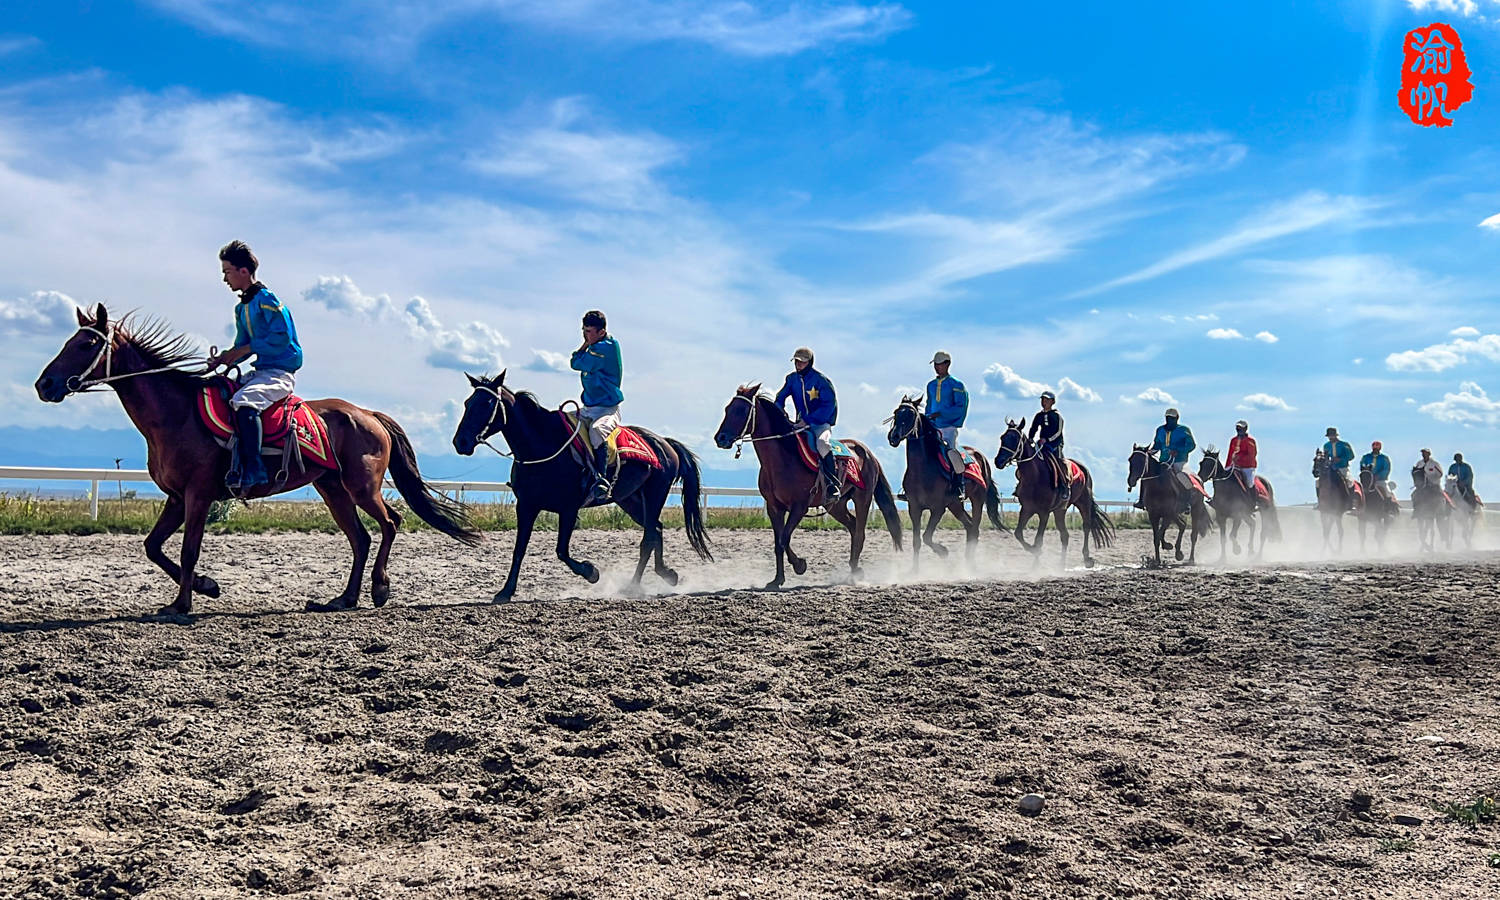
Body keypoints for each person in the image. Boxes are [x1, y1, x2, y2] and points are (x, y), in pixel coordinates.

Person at [206, 240, 303, 493]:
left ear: (244, 272)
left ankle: (255, 467)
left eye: (227, 272)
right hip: (260, 372)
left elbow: (281, 336)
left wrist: (245, 350)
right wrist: (225, 358)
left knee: (244, 401)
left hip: (279, 373)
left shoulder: (267, 299)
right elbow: (242, 344)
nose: (225, 279)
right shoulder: (242, 308)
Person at [569, 310, 623, 504]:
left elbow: (575, 362)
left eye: (589, 331)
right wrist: (586, 343)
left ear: (601, 332)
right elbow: (575, 361)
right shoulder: (594, 345)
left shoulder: (605, 347)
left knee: (597, 431)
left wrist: (584, 347)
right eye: (583, 331)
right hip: (588, 407)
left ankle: (601, 479)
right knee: (562, 421)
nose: (585, 335)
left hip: (607, 409)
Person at [774, 347, 840, 503]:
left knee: (822, 444)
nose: (798, 365)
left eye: (802, 362)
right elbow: (780, 398)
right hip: (799, 424)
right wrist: (779, 414)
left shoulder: (821, 381)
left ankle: (833, 484)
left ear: (809, 362)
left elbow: (829, 405)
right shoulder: (791, 379)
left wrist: (809, 420)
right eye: (796, 361)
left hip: (820, 424)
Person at [925, 350, 969, 496]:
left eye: (940, 364)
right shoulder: (930, 385)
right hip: (933, 427)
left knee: (951, 452)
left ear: (947, 364)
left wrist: (942, 414)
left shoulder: (956, 384)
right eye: (935, 364)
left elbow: (961, 406)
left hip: (949, 427)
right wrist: (926, 418)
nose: (937, 367)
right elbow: (928, 405)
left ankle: (959, 485)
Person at [1145, 407, 1196, 512]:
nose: (1169, 420)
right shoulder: (1160, 430)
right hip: (1163, 461)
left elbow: (1191, 445)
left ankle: (1187, 503)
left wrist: (1178, 451)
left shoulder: (1184, 430)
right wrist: (1150, 452)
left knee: (1183, 477)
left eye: (1172, 418)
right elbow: (1157, 445)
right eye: (1168, 418)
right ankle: (1142, 500)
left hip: (1179, 461)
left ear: (1177, 418)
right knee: (1147, 476)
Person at [1027, 390, 1068, 503]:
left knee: (1058, 461)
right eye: (1042, 400)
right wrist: (1030, 438)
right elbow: (1033, 428)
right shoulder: (1039, 415)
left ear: (1053, 402)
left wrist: (1048, 440)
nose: (1044, 402)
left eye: (1046, 400)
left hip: (1055, 444)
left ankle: (1064, 486)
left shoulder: (1057, 416)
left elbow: (1058, 432)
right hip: (1041, 444)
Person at [1321, 427, 1355, 509]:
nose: (1330, 438)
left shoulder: (1344, 445)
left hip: (1343, 468)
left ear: (1336, 435)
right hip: (1331, 469)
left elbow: (1351, 456)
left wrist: (1340, 459)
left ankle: (1351, 503)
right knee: (1319, 482)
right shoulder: (1326, 446)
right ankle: (1320, 502)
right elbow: (1326, 457)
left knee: (1350, 482)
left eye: (1332, 436)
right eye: (1329, 436)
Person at [1225, 419, 1257, 499]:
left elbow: (1251, 455)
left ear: (1245, 429)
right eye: (1237, 428)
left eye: (1240, 428)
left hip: (1247, 467)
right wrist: (1227, 466)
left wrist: (1239, 458)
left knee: (1250, 482)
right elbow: (1230, 454)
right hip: (1235, 466)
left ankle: (1254, 500)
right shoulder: (1233, 440)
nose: (1239, 430)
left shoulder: (1250, 441)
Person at [1359, 440, 1394, 506]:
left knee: (1388, 492)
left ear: (1380, 448)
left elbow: (1386, 469)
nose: (1375, 450)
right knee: (1358, 490)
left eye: (1377, 448)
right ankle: (1357, 507)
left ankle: (1389, 509)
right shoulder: (1366, 457)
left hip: (1380, 480)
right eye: (1374, 448)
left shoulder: (1384, 458)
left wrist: (1378, 476)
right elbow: (1362, 465)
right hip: (1367, 480)